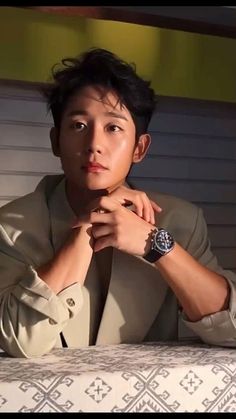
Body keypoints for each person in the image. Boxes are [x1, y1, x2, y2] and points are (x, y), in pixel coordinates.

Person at [0, 48, 236, 358]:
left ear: (139, 147)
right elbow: (19, 339)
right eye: (79, 126)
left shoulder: (180, 220)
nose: (95, 145)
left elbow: (231, 329)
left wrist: (156, 245)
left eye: (113, 128)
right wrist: (85, 227)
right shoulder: (13, 225)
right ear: (56, 141)